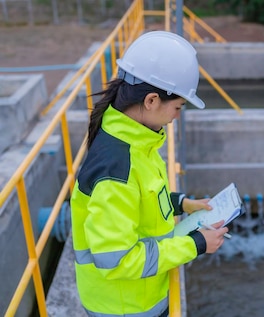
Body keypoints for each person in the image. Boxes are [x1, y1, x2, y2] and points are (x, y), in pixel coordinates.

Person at [70, 31, 228, 317]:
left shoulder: (136, 140)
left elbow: (140, 200)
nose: (177, 116)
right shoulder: (117, 168)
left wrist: (181, 203)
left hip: (139, 298)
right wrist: (197, 244)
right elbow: (118, 261)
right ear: (152, 100)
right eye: (178, 107)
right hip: (125, 307)